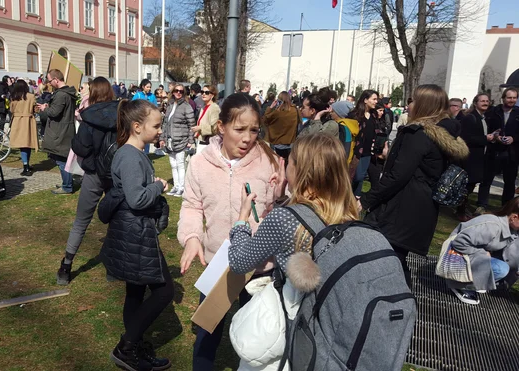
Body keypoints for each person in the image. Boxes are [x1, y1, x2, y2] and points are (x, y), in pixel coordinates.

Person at [227, 134, 359, 370]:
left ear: (299, 170)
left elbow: (239, 261)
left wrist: (241, 220)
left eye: (291, 162)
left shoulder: (284, 219)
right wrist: (281, 198)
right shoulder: (351, 213)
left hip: (290, 323)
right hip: (327, 321)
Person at [178, 92, 284, 370]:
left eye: (254, 130)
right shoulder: (201, 163)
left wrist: (285, 188)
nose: (247, 138)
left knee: (260, 339)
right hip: (218, 264)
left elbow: (286, 207)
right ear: (221, 127)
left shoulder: (271, 160)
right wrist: (191, 238)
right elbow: (191, 205)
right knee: (206, 333)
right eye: (239, 129)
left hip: (260, 267)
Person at [361, 84, 469, 288]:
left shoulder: (417, 134)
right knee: (395, 260)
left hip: (400, 208)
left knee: (386, 260)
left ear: (425, 105)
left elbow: (398, 176)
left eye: (414, 101)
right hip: (421, 208)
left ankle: (399, 308)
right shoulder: (444, 135)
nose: (410, 106)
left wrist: (366, 200)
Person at [98, 99, 173, 371]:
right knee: (165, 291)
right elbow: (137, 198)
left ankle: (135, 349)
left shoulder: (137, 153)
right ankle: (126, 347)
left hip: (135, 233)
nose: (160, 130)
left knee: (135, 291)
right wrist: (157, 186)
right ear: (137, 126)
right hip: (134, 234)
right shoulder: (129, 156)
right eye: (156, 125)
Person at [56, 77, 117, 285]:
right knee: (116, 220)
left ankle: (66, 265)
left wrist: (91, 163)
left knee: (81, 221)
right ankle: (113, 265)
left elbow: (81, 147)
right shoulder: (122, 113)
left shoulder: (89, 117)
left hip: (95, 175)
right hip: (116, 173)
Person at [446, 197, 519, 305]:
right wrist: (483, 253)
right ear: (514, 217)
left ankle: (482, 281)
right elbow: (458, 242)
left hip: (473, 256)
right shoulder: (492, 226)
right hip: (456, 257)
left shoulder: (511, 228)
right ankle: (461, 285)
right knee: (501, 268)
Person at [476, 88, 519, 211]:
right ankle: (481, 205)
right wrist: (496, 136)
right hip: (494, 150)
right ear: (503, 98)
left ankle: (506, 207)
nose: (511, 100)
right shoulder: (493, 111)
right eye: (509, 97)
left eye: (514, 98)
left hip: (512, 152)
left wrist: (513, 138)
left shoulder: (518, 113)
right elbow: (486, 128)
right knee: (487, 179)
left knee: (509, 182)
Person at [38, 69, 77, 195]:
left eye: (50, 81)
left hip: (60, 131)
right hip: (64, 129)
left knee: (61, 160)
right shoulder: (67, 93)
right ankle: (67, 183)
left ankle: (67, 186)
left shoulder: (61, 95)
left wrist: (45, 108)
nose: (49, 83)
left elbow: (55, 113)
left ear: (56, 79)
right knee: (61, 158)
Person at [457, 93, 491, 221]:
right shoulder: (470, 118)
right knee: (467, 186)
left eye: (487, 101)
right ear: (476, 103)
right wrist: (486, 139)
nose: (485, 103)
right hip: (470, 157)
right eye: (482, 101)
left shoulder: (484, 117)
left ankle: (461, 208)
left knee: (470, 185)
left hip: (480, 157)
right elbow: (466, 138)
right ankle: (460, 210)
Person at [159, 83, 195, 197]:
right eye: (176, 90)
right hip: (170, 140)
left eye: (181, 91)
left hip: (181, 140)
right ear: (173, 92)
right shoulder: (170, 105)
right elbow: (165, 124)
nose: (178, 93)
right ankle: (176, 186)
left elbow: (191, 125)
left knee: (180, 163)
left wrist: (190, 141)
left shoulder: (186, 106)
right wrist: (162, 138)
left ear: (183, 93)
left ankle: (182, 187)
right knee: (173, 164)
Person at [350, 90, 380, 197]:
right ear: (365, 100)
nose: (376, 102)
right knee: (352, 177)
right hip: (355, 151)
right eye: (374, 99)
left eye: (377, 99)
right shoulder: (355, 115)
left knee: (360, 177)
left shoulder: (374, 115)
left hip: (368, 152)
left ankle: (356, 199)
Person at [10, 80, 39, 177]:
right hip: (28, 121)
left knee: (23, 144)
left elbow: (11, 110)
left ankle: (26, 165)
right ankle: (26, 165)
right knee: (28, 143)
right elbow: (35, 109)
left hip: (18, 121)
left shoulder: (14, 97)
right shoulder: (31, 96)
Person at [263, 91, 299, 162]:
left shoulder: (277, 112)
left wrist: (270, 108)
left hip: (278, 142)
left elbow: (265, 120)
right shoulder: (295, 110)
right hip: (291, 141)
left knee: (279, 162)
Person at [132, 79, 158, 155]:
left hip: (149, 120)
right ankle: (137, 152)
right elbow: (132, 106)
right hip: (139, 119)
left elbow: (155, 107)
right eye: (147, 87)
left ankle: (146, 154)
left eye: (150, 87)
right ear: (143, 87)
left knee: (147, 136)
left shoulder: (152, 96)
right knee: (138, 136)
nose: (149, 89)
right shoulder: (138, 95)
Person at [192, 85, 220, 154]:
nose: (204, 94)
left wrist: (200, 128)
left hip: (208, 142)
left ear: (212, 95)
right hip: (201, 140)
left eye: (207, 92)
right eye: (202, 92)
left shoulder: (214, 108)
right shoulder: (203, 107)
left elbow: (215, 128)